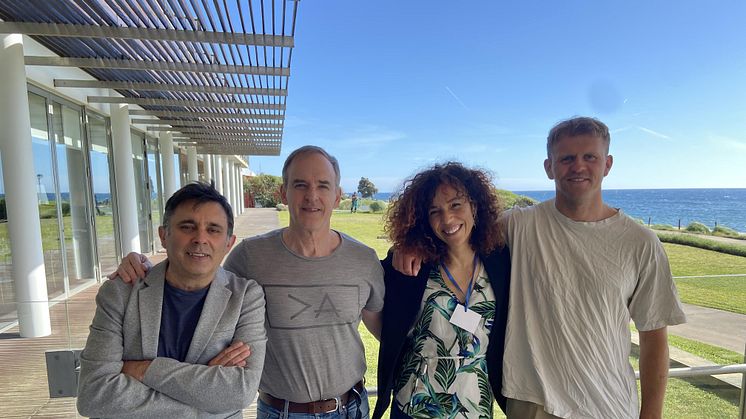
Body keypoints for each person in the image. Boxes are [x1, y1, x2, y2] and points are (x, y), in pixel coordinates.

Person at [395, 117, 686, 419]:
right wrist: (409, 244)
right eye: (566, 158)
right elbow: (455, 228)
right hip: (529, 405)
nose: (578, 167)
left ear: (608, 163)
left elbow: (654, 340)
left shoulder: (641, 243)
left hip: (606, 405)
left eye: (590, 157)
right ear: (549, 167)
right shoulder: (519, 225)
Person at [113, 145, 385, 419]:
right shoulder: (249, 257)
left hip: (353, 407)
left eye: (323, 186)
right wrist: (144, 266)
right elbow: (197, 271)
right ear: (283, 193)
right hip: (282, 412)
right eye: (300, 184)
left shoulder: (364, 260)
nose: (311, 196)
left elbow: (383, 329)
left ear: (338, 196)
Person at [77, 182, 267, 418]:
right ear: (163, 235)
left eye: (213, 230)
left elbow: (240, 392)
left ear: (229, 243)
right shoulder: (120, 293)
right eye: (187, 227)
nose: (200, 238)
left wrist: (146, 370)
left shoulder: (245, 298)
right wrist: (205, 402)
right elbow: (93, 395)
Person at [374, 162, 510, 419]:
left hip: (475, 406)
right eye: (435, 211)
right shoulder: (412, 266)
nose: (447, 219)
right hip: (415, 404)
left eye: (456, 205)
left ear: (475, 205)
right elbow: (370, 297)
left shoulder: (500, 261)